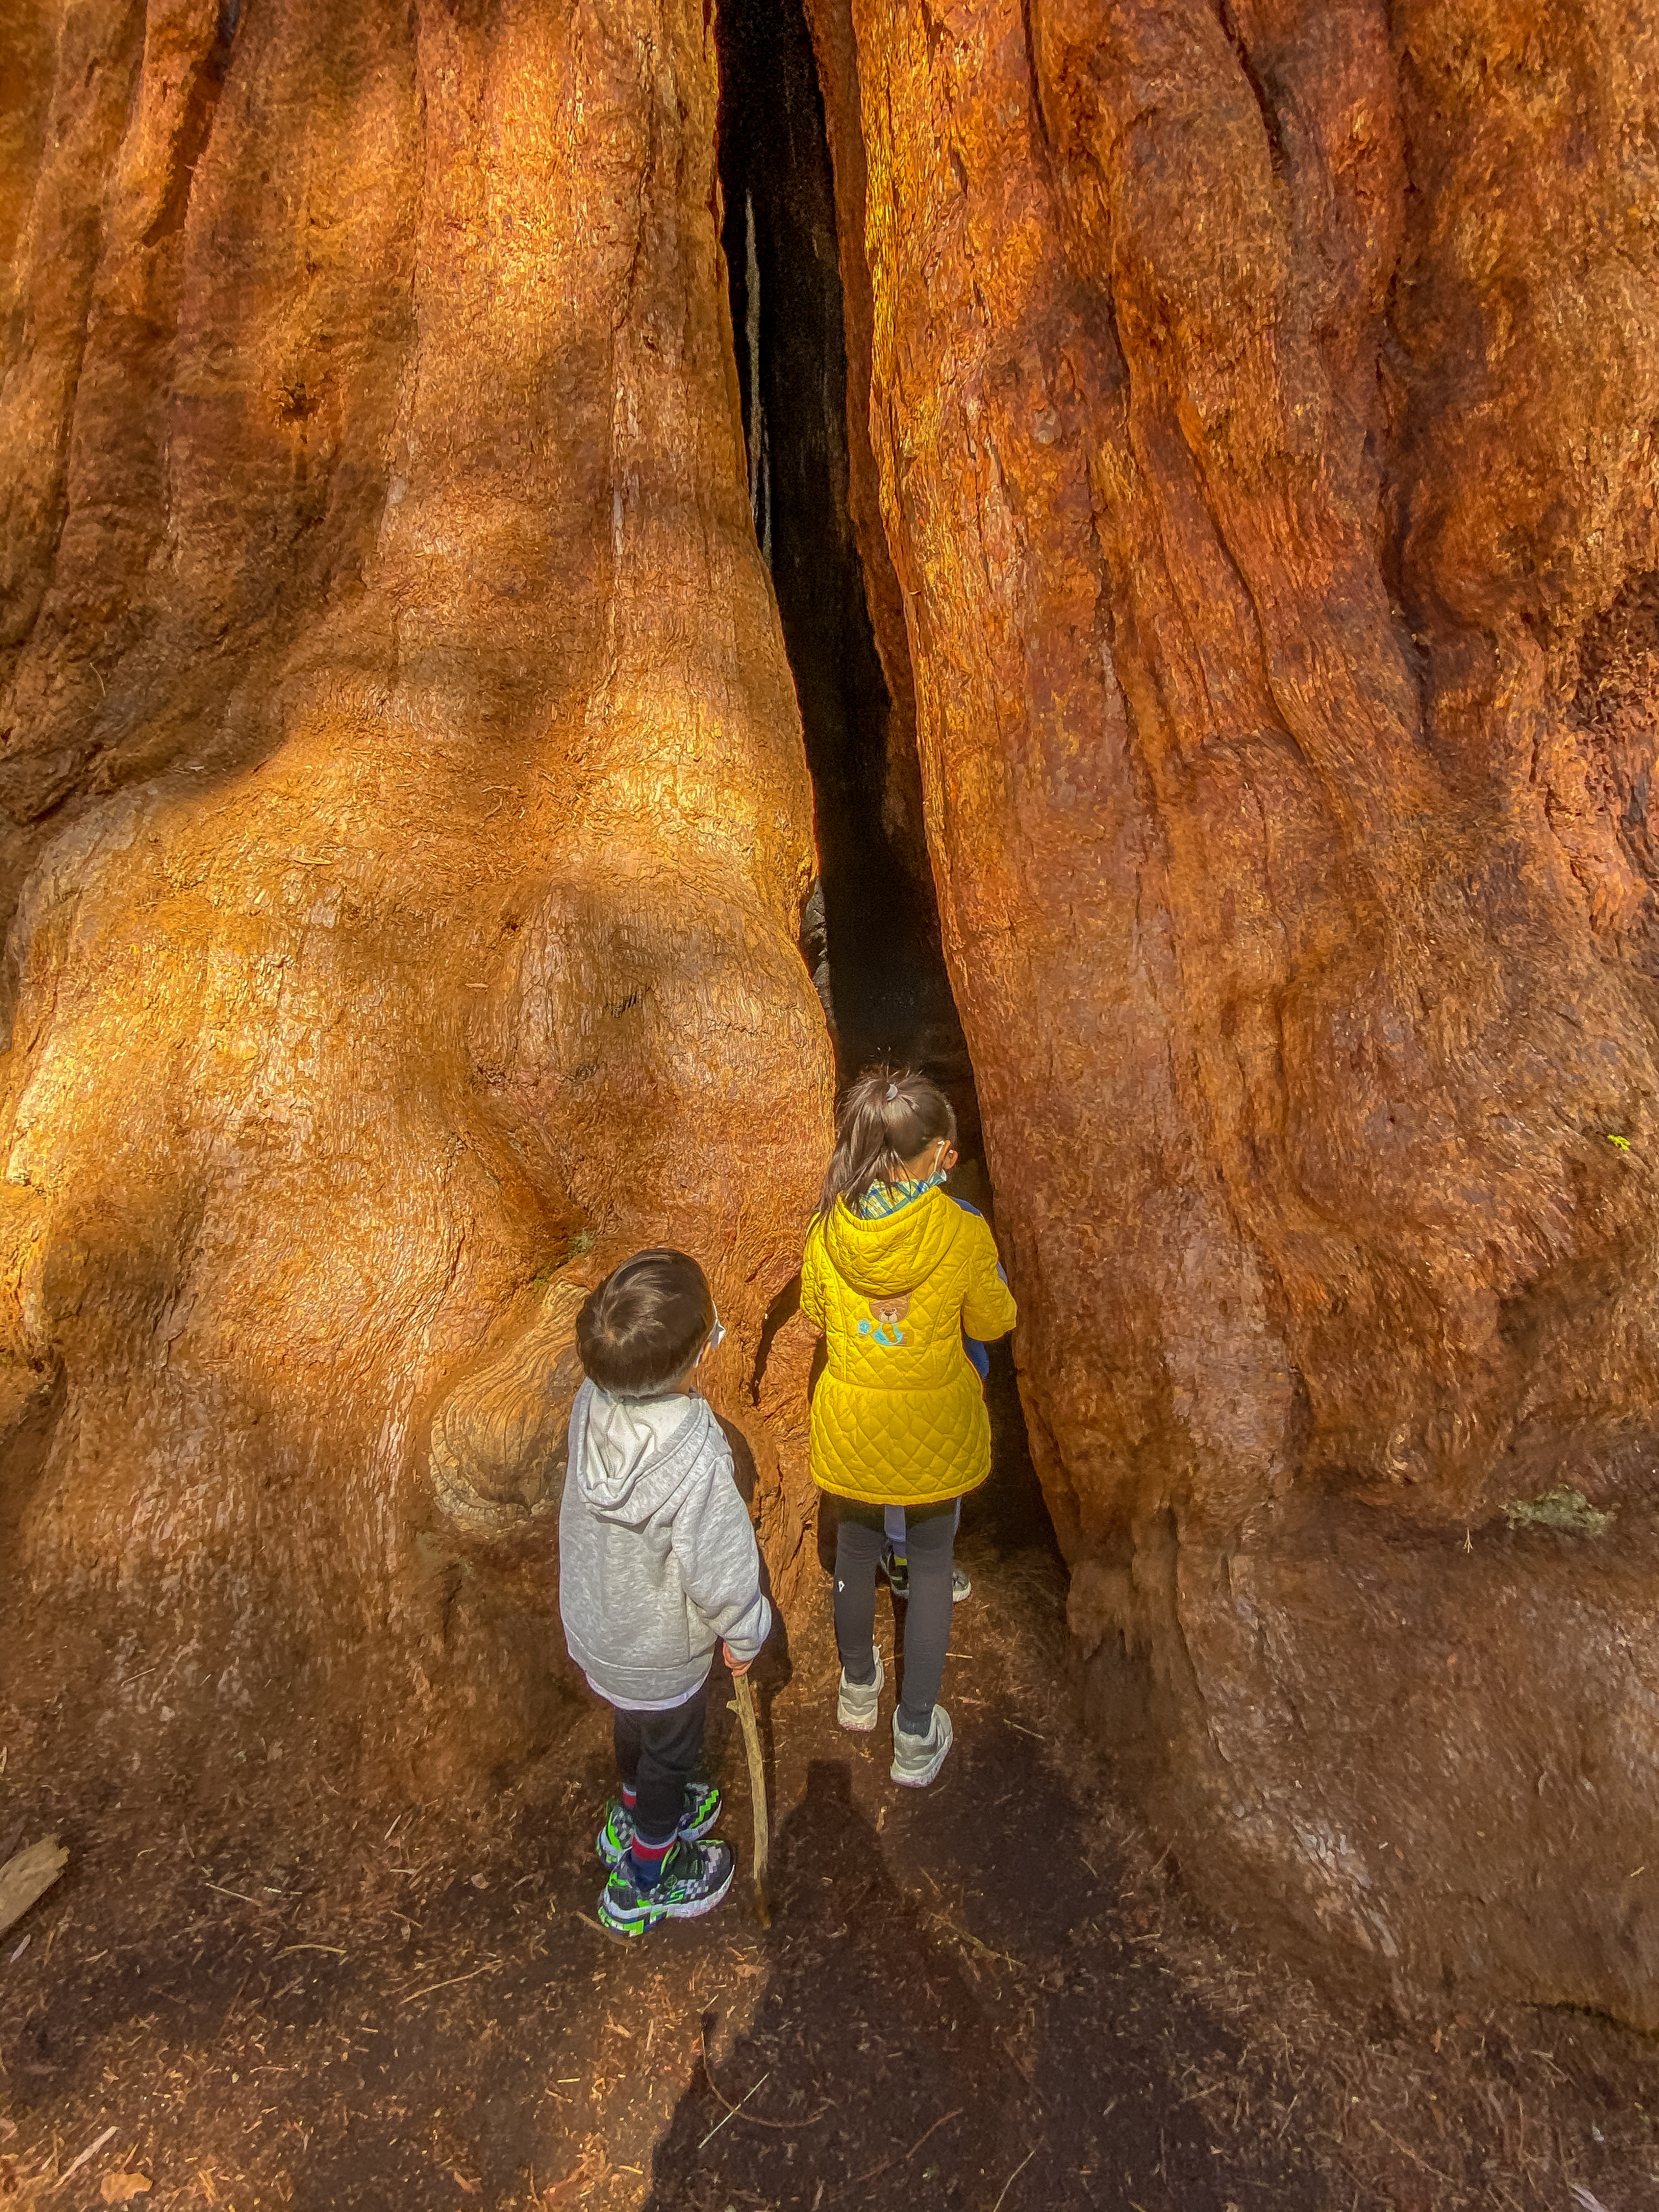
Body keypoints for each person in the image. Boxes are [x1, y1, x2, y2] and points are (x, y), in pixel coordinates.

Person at [801, 1066, 1018, 1786]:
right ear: (938, 1152)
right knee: (928, 1569)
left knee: (856, 1553)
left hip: (854, 1422)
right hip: (933, 1423)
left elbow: (816, 1312)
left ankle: (858, 1691)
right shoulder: (961, 1230)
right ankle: (916, 1733)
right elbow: (992, 1321)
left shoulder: (830, 1225)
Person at [559, 1248, 771, 1936]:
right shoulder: (696, 1452)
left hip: (600, 1630)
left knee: (633, 1725)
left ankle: (632, 1811)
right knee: (670, 1752)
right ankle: (647, 1875)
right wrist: (746, 1632)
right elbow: (721, 1566)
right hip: (660, 1650)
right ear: (693, 1359)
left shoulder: (589, 1403)